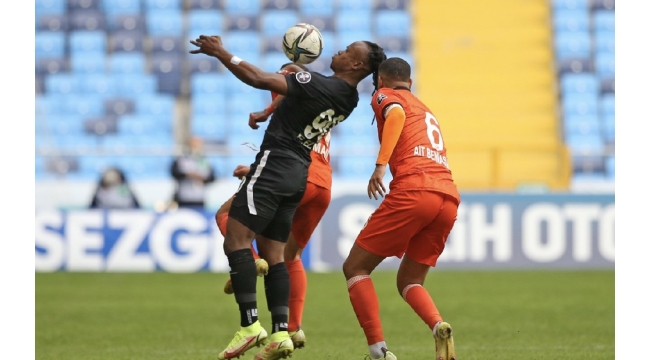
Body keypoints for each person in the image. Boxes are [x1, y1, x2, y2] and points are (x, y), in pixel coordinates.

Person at [189, 35, 386, 360]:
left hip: (276, 163)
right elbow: (297, 96)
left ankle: (250, 325)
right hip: (299, 174)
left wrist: (221, 52)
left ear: (357, 64)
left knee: (236, 238)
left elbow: (256, 78)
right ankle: (281, 332)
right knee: (276, 254)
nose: (338, 51)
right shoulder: (348, 99)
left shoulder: (316, 83)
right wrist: (271, 109)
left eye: (347, 51)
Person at [341, 57, 461, 360]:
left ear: (381, 80)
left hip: (414, 190)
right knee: (409, 280)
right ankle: (438, 325)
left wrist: (380, 166)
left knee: (355, 267)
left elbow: (394, 115)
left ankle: (378, 352)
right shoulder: (425, 108)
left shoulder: (386, 96)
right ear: (410, 81)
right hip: (447, 196)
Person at [217, 62, 334, 351]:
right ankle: (292, 329)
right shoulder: (323, 102)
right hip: (321, 184)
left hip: (291, 174)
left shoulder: (292, 89)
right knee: (290, 255)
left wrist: (284, 75)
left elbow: (282, 78)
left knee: (227, 216)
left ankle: (253, 259)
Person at [170, 136, 215, 208]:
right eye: (193, 145)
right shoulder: (182, 160)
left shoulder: (205, 161)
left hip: (199, 198)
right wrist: (187, 175)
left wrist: (201, 178)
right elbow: (174, 173)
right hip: (184, 198)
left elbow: (212, 177)